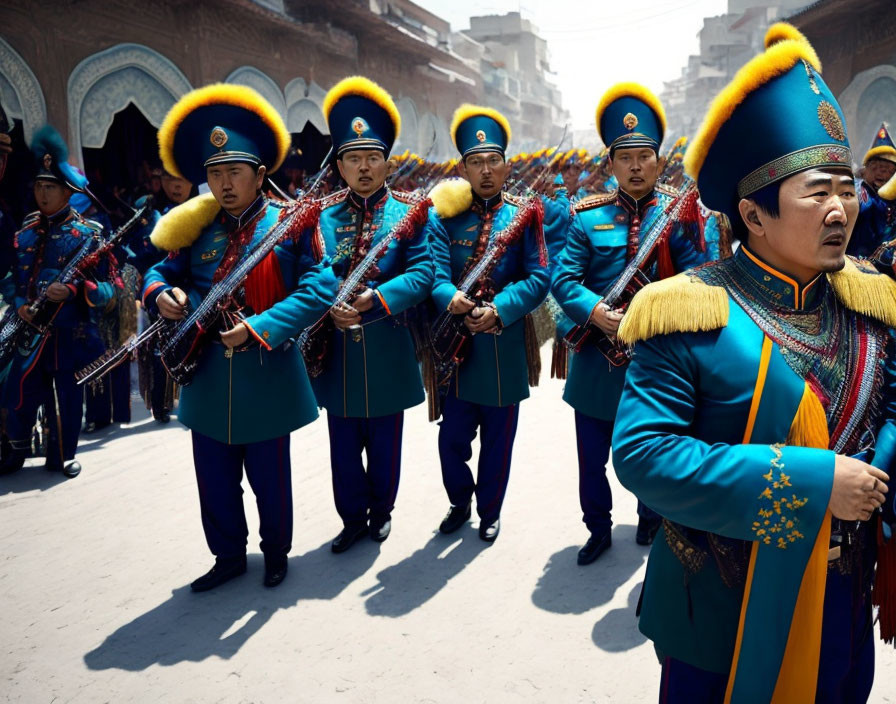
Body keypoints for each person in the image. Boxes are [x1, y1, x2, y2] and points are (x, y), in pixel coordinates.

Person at [612, 24, 896, 703]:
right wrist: (814, 480)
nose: (841, 209)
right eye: (816, 192)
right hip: (725, 609)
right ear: (753, 215)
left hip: (844, 599)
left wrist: (876, 473)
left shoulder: (868, 299)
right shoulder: (689, 309)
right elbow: (645, 456)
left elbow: (892, 406)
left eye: (847, 188)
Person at [142, 83, 338, 591]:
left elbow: (320, 286)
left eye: (234, 172)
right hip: (206, 374)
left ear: (259, 174)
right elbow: (161, 271)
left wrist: (261, 327)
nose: (224, 184)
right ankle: (227, 554)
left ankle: (276, 552)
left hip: (264, 369)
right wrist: (159, 293)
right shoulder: (197, 225)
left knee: (269, 477)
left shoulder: (292, 223)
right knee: (213, 474)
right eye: (214, 174)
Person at [551, 83, 708, 565]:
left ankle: (650, 519)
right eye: (626, 157)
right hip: (596, 361)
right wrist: (595, 311)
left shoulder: (679, 217)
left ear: (659, 161)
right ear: (611, 164)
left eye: (645, 155)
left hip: (655, 363)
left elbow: (699, 277)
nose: (636, 166)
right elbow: (563, 276)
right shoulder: (585, 218)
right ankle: (597, 528)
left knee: (654, 448)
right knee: (590, 460)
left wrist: (653, 318)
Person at [311, 76, 433, 554]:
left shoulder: (409, 213)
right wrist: (329, 304)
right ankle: (351, 519)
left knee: (385, 443)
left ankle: (381, 512)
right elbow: (310, 270)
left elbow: (423, 272)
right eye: (353, 159)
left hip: (387, 344)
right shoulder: (320, 216)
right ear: (340, 165)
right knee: (342, 445)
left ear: (386, 163)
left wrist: (378, 299)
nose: (363, 168)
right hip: (336, 349)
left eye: (372, 158)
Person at [428, 104, 550, 543]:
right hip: (457, 349)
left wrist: (500, 308)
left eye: (492, 161)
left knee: (498, 444)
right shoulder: (445, 215)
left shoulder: (524, 214)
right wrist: (451, 298)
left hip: (501, 348)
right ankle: (460, 500)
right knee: (451, 442)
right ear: (462, 168)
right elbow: (435, 272)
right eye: (475, 163)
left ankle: (489, 510)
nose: (485, 171)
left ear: (506, 165)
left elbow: (539, 277)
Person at [0, 125, 116, 477]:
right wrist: (18, 299)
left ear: (68, 192)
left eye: (50, 187)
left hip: (69, 333)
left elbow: (110, 290)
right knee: (22, 393)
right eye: (38, 186)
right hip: (29, 331)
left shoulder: (88, 235)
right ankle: (15, 451)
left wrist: (76, 292)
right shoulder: (25, 233)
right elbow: (10, 277)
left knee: (67, 398)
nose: (43, 193)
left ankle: (64, 454)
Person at [130, 168, 195, 424]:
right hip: (160, 289)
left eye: (182, 179)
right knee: (160, 350)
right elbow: (142, 255)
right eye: (170, 180)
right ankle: (160, 403)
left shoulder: (204, 214)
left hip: (192, 292)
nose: (176, 186)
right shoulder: (153, 214)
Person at [848, 122, 896, 257]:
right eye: (876, 167)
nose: (883, 174)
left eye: (890, 171)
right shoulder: (857, 190)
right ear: (865, 170)